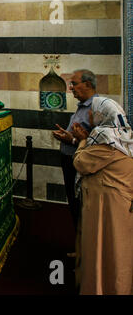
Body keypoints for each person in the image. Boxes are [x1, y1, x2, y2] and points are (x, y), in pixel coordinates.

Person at [71, 97, 133, 295]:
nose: (89, 114)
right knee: (116, 250)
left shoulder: (107, 140)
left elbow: (81, 163)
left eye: (92, 112)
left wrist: (81, 141)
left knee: (106, 250)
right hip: (117, 203)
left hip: (107, 207)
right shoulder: (123, 135)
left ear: (102, 115)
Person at [52, 69, 98, 235]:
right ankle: (81, 245)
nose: (71, 88)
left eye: (74, 83)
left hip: (80, 164)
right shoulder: (83, 106)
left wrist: (70, 140)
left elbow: (97, 143)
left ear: (87, 84)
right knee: (74, 202)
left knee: (81, 205)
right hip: (71, 160)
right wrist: (68, 135)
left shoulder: (96, 108)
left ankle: (86, 248)